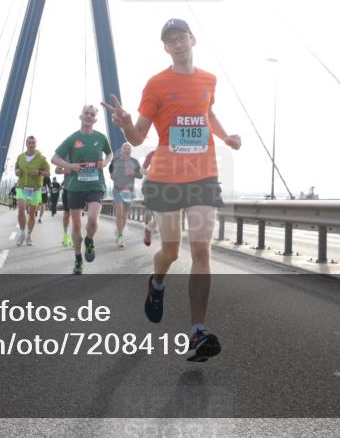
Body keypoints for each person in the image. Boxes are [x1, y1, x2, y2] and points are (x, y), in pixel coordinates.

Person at [103, 18, 241, 362]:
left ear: (192, 40)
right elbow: (138, 137)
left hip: (204, 175)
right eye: (170, 41)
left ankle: (197, 332)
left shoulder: (209, 79)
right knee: (171, 251)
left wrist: (225, 137)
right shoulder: (157, 84)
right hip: (166, 178)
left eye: (181, 38)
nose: (177, 44)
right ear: (165, 48)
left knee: (201, 249)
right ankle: (157, 282)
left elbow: (206, 112)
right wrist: (124, 125)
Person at [51, 105, 112, 274]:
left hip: (96, 185)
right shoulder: (72, 139)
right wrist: (70, 166)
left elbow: (110, 154)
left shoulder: (100, 138)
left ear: (95, 119)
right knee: (76, 224)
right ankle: (78, 259)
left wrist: (105, 163)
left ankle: (90, 241)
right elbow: (54, 158)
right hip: (76, 187)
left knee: (92, 220)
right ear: (81, 116)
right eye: (86, 113)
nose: (89, 116)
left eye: (92, 114)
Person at [14, 136, 50, 246]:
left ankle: (29, 235)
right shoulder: (20, 157)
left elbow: (48, 173)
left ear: (36, 144)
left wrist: (39, 172)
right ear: (26, 144)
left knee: (31, 214)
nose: (31, 144)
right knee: (21, 210)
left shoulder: (42, 159)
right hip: (22, 188)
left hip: (35, 190)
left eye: (33, 142)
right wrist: (17, 172)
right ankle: (21, 233)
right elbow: (16, 168)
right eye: (29, 142)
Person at [108, 143, 143, 248]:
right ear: (121, 150)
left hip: (128, 191)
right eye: (125, 148)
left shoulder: (135, 162)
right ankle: (120, 236)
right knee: (119, 212)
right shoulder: (115, 161)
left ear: (130, 151)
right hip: (118, 190)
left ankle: (119, 232)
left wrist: (133, 173)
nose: (127, 149)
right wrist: (112, 176)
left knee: (125, 215)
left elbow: (140, 175)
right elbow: (111, 172)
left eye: (129, 148)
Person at [140, 149, 156, 246]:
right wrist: (150, 174)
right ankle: (147, 230)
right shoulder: (152, 154)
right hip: (150, 184)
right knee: (149, 208)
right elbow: (142, 169)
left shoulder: (174, 153)